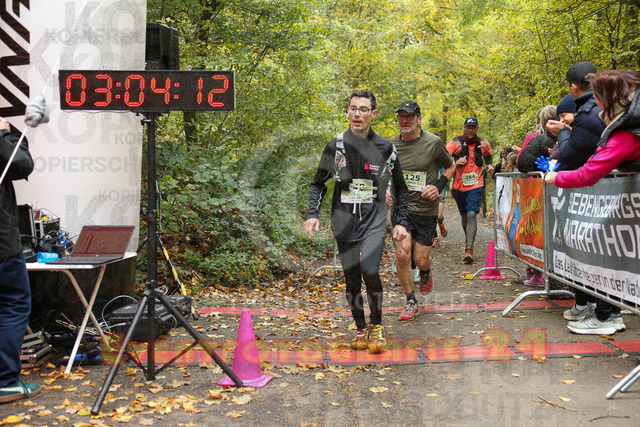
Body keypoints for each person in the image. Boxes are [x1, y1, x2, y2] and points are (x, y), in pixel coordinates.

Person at [305, 90, 409, 353]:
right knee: (352, 280)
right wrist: (312, 214)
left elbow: (401, 189)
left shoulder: (386, 149)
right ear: (348, 112)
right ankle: (361, 328)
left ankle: (377, 326)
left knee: (370, 271)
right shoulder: (336, 146)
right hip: (344, 221)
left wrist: (400, 221)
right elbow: (318, 184)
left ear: (374, 114)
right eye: (353, 108)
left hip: (374, 220)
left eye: (363, 109)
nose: (357, 114)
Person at [545, 69, 640, 335]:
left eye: (597, 96)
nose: (594, 102)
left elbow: (589, 172)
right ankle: (608, 315)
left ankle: (606, 317)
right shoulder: (627, 125)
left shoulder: (625, 134)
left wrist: (555, 178)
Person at [385, 101, 455, 321]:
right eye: (401, 117)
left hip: (425, 209)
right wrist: (385, 189)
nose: (405, 121)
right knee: (403, 254)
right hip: (401, 209)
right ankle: (410, 301)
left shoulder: (433, 142)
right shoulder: (390, 145)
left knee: (421, 259)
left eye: (410, 117)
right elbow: (382, 172)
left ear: (419, 119)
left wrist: (438, 186)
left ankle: (425, 271)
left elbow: (451, 165)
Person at [0, 116, 39, 404]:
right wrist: (3, 133)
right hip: (2, 247)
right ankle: (4, 381)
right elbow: (21, 163)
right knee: (13, 303)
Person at [446, 117, 494, 263]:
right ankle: (468, 240)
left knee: (472, 214)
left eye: (473, 127)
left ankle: (469, 249)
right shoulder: (455, 143)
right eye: (468, 127)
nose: (471, 130)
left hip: (476, 183)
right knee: (465, 216)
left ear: (477, 128)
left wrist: (489, 166)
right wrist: (455, 162)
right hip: (459, 185)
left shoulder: (483, 143)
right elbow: (443, 158)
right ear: (464, 128)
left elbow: (488, 156)